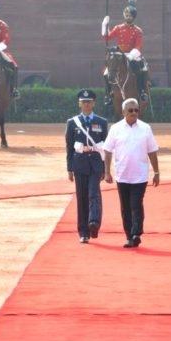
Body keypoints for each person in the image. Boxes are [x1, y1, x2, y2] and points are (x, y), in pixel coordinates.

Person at [103, 97, 160, 248]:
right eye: (130, 110)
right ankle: (129, 236)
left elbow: (152, 151)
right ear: (123, 112)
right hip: (122, 175)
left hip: (140, 175)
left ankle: (136, 233)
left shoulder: (146, 128)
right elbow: (107, 151)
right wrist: (107, 172)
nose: (134, 113)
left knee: (136, 204)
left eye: (136, 110)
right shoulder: (115, 128)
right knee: (125, 207)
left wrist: (157, 172)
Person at [65, 89, 109, 244]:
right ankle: (83, 232)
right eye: (84, 102)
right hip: (79, 164)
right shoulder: (72, 123)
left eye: (89, 102)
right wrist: (69, 168)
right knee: (82, 198)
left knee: (93, 194)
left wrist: (105, 168)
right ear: (79, 104)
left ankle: (94, 223)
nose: (86, 104)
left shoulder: (102, 122)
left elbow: (106, 148)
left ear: (94, 103)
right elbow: (69, 147)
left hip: (96, 164)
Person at [102, 0, 149, 106]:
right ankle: (108, 94)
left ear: (133, 17)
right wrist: (105, 25)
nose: (128, 17)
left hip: (132, 54)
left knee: (142, 69)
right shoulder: (118, 28)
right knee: (106, 73)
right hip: (119, 53)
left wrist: (132, 55)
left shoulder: (138, 30)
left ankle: (142, 91)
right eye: (126, 15)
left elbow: (138, 45)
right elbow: (107, 38)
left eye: (130, 15)